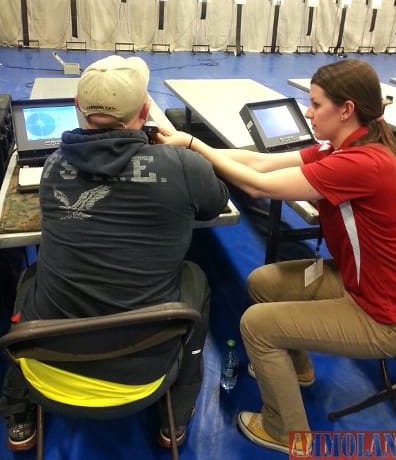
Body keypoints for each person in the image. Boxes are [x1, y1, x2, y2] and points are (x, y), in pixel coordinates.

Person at [154, 58, 396, 455]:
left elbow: (257, 186)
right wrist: (195, 146)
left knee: (257, 325)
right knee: (264, 282)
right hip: (364, 282)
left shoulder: (361, 164)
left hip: (388, 314)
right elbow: (260, 161)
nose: (307, 113)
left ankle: (286, 431)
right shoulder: (346, 146)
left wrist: (191, 145)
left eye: (315, 105)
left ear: (346, 110)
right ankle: (299, 369)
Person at [0, 55, 229, 452]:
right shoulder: (183, 165)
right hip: (145, 372)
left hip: (48, 366)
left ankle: (19, 412)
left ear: (76, 106)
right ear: (145, 111)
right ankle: (175, 412)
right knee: (197, 279)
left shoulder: (54, 165)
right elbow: (216, 203)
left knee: (30, 277)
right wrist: (180, 156)